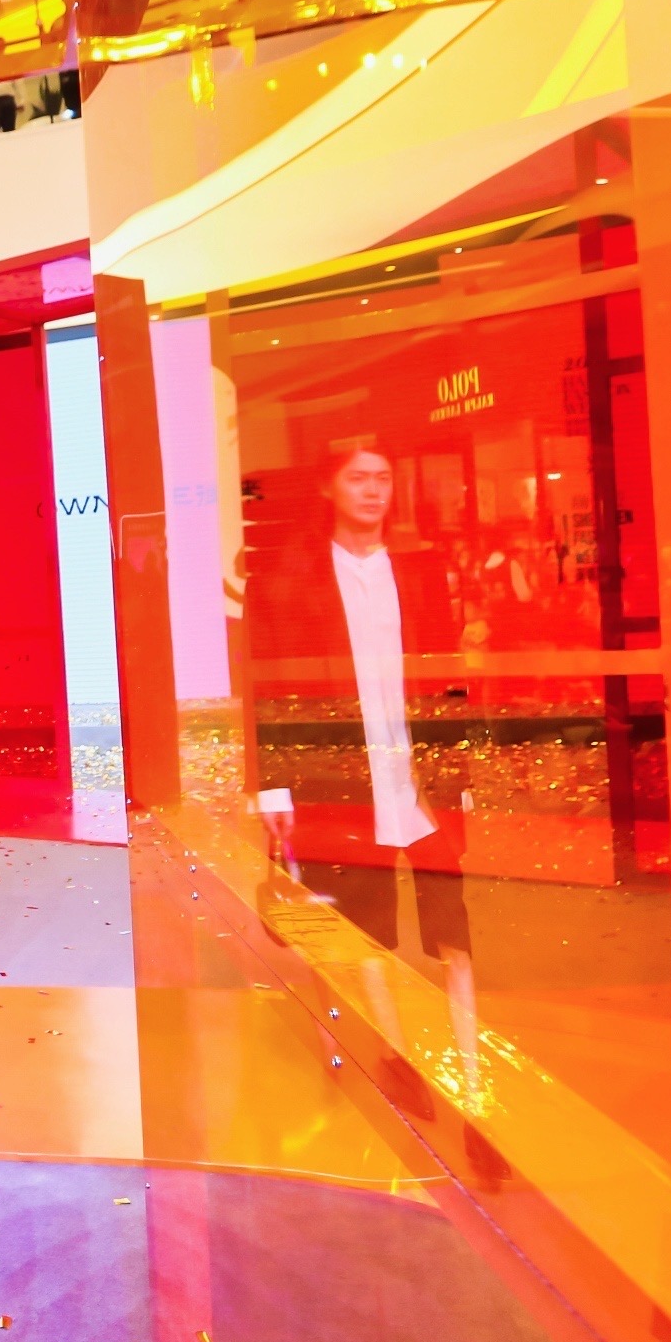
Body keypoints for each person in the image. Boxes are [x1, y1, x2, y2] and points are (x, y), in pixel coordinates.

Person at [244, 440, 481, 1094]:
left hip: (419, 779)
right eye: (358, 478)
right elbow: (272, 690)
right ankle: (397, 1062)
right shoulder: (292, 579)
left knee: (452, 928)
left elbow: (447, 679)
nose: (374, 490)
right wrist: (274, 787)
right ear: (330, 487)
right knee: (368, 931)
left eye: (383, 477)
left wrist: (458, 773)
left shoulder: (419, 573)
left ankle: (470, 1070)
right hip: (346, 780)